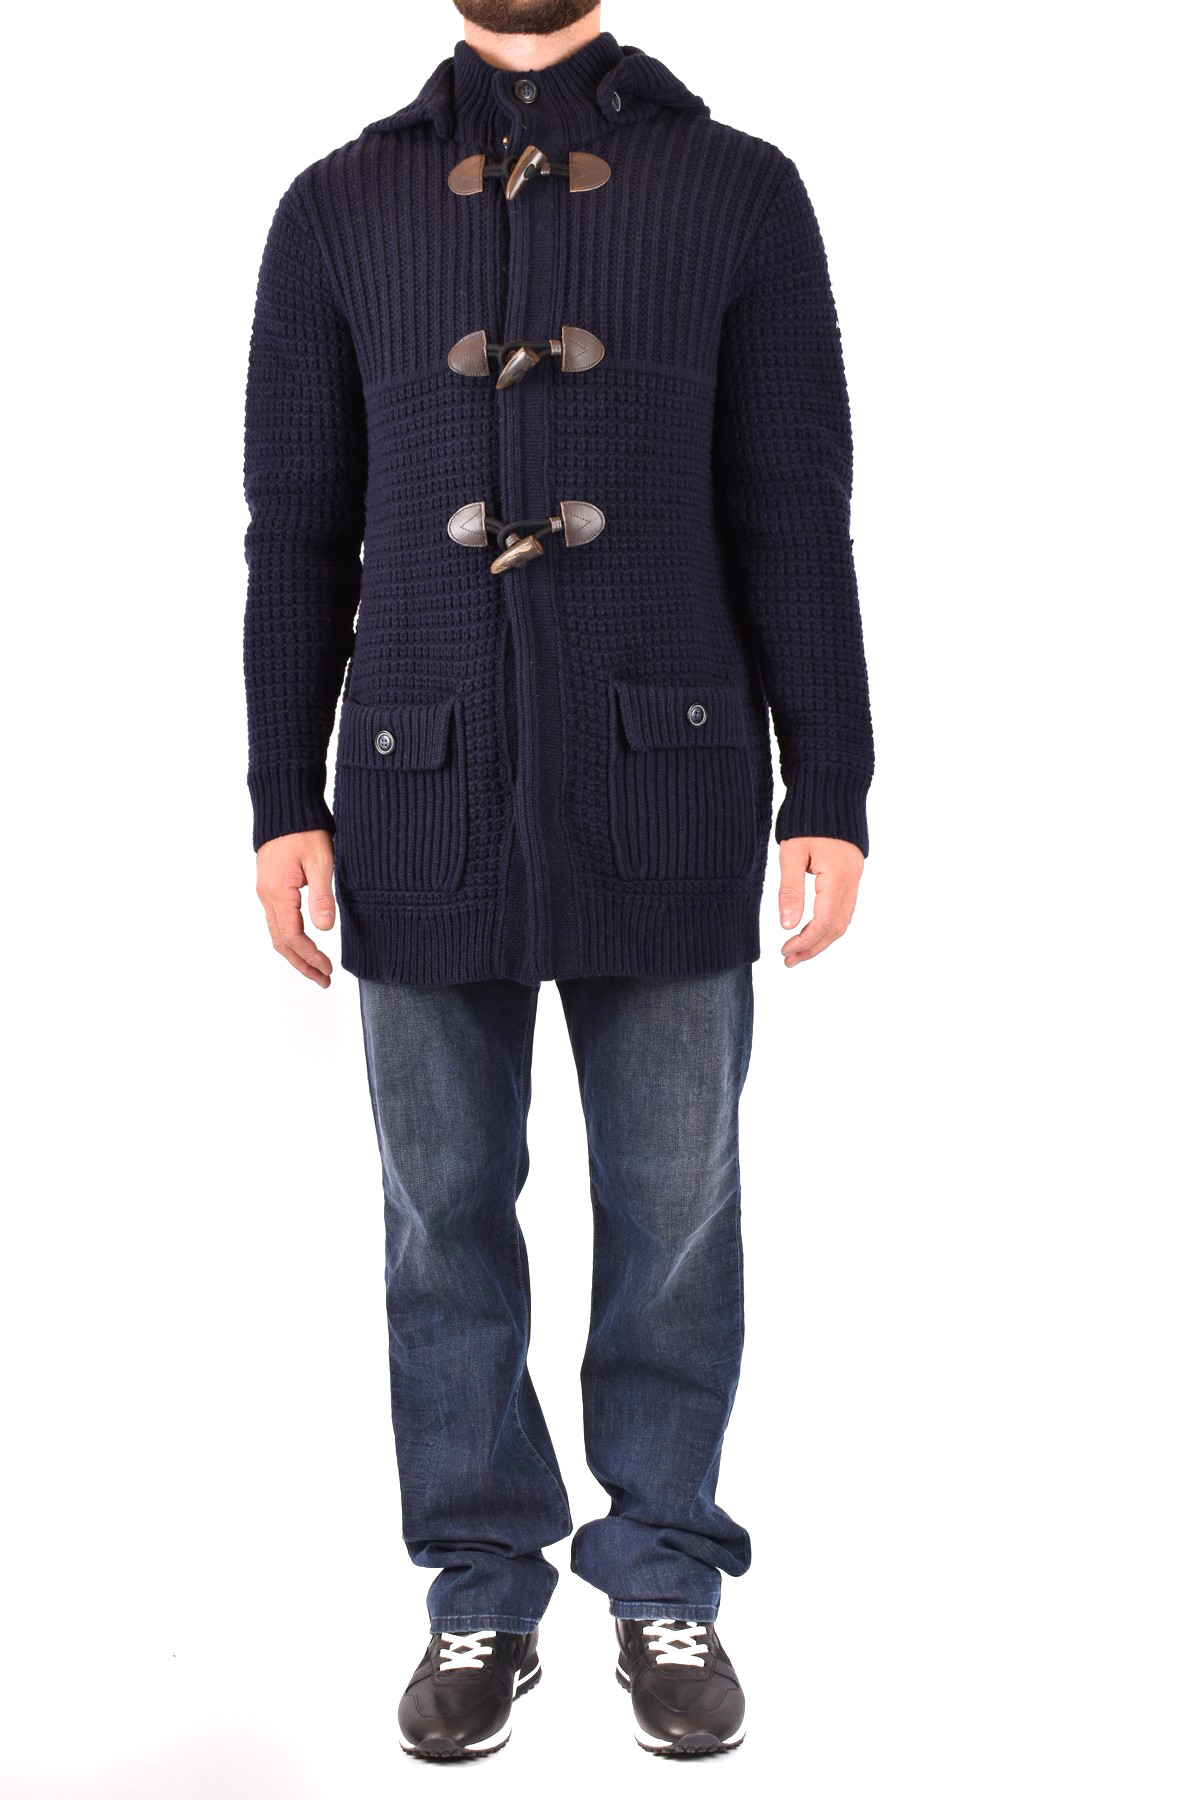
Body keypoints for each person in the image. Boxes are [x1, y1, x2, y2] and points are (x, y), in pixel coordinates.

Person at [243, 0, 873, 1761]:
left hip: (668, 774)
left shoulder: (738, 191)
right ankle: (479, 1595)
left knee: (675, 1218)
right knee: (439, 1225)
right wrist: (279, 797)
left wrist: (832, 780)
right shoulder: (337, 207)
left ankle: (666, 1575)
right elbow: (294, 524)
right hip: (416, 784)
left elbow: (797, 506)